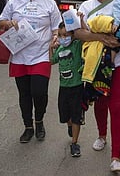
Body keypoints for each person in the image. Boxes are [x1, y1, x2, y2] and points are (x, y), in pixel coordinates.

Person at [74, 0, 120, 172]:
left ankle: (116, 156)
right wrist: (101, 38)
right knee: (100, 104)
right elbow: (78, 33)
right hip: (97, 67)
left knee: (117, 107)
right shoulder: (86, 6)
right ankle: (102, 135)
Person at [0, 0, 61, 144]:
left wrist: (55, 38)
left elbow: (57, 27)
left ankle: (39, 120)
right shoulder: (15, 1)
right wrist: (10, 24)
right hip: (19, 55)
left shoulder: (49, 2)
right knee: (24, 93)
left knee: (39, 92)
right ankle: (28, 126)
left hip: (41, 55)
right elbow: (1, 21)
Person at [50, 22, 84, 157]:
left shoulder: (76, 46)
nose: (63, 38)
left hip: (76, 87)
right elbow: (52, 61)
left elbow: (82, 37)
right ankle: (70, 125)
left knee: (76, 116)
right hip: (63, 87)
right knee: (65, 116)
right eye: (60, 35)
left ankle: (75, 143)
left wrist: (79, 23)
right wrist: (51, 48)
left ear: (72, 35)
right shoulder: (59, 49)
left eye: (66, 35)